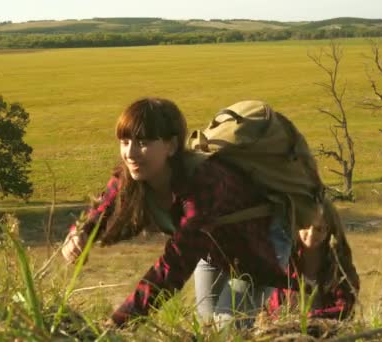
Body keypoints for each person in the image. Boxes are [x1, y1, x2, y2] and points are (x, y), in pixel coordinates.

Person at [61, 97, 296, 327]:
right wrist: (80, 232)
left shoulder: (202, 184)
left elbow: (172, 268)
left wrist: (118, 322)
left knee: (226, 328)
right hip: (214, 246)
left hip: (259, 245)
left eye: (143, 142)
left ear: (171, 145)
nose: (130, 154)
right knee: (207, 323)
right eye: (124, 141)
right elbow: (103, 207)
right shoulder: (130, 177)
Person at [267, 199, 360, 320]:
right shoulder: (284, 258)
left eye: (319, 229)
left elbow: (345, 307)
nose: (311, 234)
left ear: (330, 230)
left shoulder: (339, 264)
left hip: (328, 332)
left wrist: (311, 319)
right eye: (306, 226)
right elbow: (273, 305)